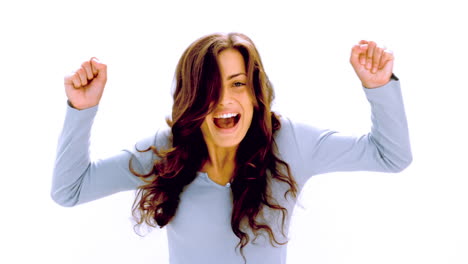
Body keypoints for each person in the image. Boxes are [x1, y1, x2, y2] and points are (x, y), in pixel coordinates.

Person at [52, 32, 412, 264]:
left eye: (237, 83)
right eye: (209, 87)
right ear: (191, 98)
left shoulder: (289, 143)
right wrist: (82, 109)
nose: (224, 99)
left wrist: (379, 87)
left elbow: (390, 155)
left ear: (255, 93)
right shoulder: (166, 152)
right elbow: (69, 190)